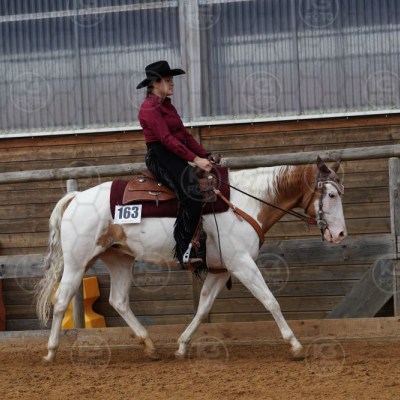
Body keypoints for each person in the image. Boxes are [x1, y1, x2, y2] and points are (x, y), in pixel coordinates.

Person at [136, 60, 212, 270]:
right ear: (155, 83)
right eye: (168, 80)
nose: (172, 83)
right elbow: (167, 139)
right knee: (191, 192)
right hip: (159, 155)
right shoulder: (149, 108)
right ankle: (184, 250)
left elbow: (184, 136)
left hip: (172, 154)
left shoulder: (167, 105)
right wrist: (195, 159)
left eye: (172, 80)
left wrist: (205, 154)